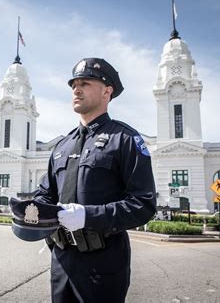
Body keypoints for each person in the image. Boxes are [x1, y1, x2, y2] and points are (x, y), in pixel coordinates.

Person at [34, 58, 157, 302]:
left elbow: (143, 204)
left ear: (107, 91)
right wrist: (31, 212)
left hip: (103, 265)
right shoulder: (62, 146)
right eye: (73, 85)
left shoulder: (124, 139)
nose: (76, 90)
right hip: (61, 261)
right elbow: (45, 194)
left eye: (85, 83)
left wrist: (88, 217)